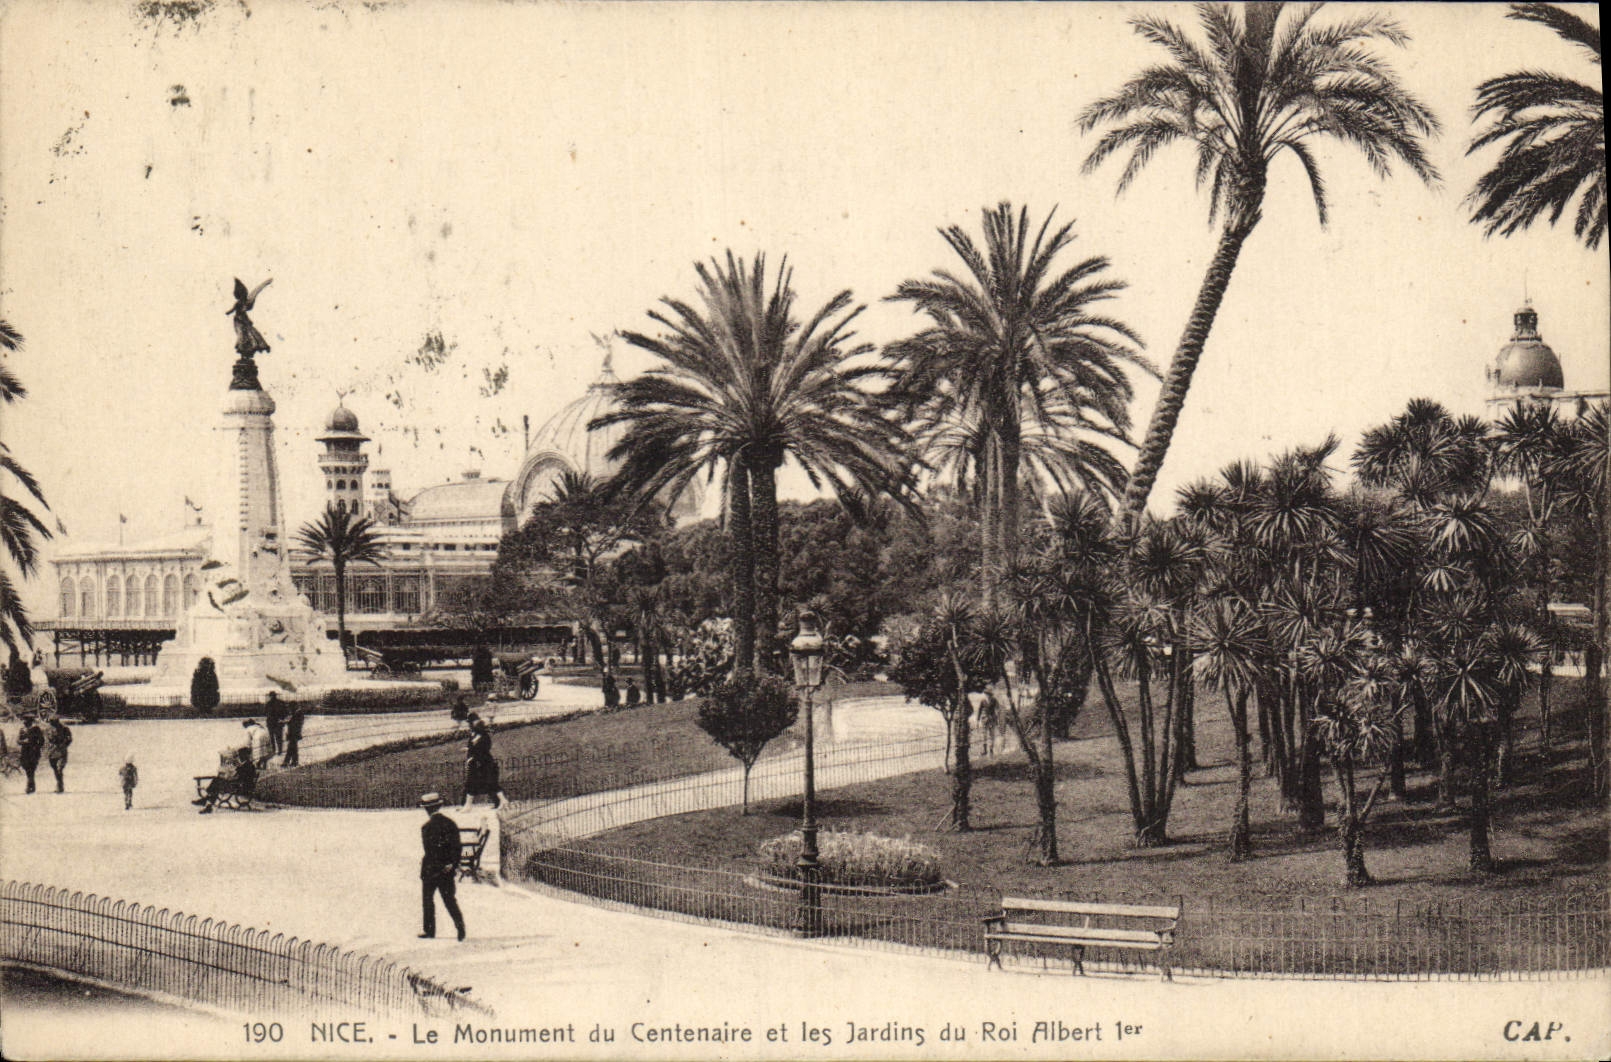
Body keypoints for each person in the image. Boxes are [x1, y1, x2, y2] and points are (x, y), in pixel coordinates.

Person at [417, 792, 466, 941]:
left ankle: (430, 931)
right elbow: (457, 847)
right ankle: (460, 929)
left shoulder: (426, 827)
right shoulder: (450, 823)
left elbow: (429, 851)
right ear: (440, 806)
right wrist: (451, 864)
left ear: (426, 809)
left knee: (428, 900)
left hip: (431, 869)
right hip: (446, 870)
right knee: (449, 900)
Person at [195, 745, 255, 813]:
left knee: (217, 782)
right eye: (239, 755)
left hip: (241, 787)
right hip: (237, 785)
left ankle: (207, 802)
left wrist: (230, 777)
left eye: (240, 755)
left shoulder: (248, 766)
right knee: (217, 781)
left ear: (245, 755)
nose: (239, 757)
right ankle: (208, 803)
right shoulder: (245, 765)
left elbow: (242, 778)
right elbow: (237, 776)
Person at [462, 716, 503, 809]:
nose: (470, 726)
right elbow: (473, 747)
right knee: (476, 783)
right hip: (476, 761)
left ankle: (467, 806)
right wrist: (469, 750)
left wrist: (472, 753)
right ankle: (467, 805)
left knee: (486, 783)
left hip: (482, 762)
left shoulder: (483, 737)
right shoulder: (474, 735)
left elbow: (483, 749)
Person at [17, 716, 43, 794]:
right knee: (26, 767)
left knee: (32, 768)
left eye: (26, 721)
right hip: (24, 752)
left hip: (33, 752)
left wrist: (36, 747)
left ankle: (29, 786)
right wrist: (23, 741)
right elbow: (18, 740)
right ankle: (31, 784)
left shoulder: (36, 729)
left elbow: (41, 740)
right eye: (24, 721)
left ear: (30, 722)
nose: (24, 722)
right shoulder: (22, 730)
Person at [46, 717, 72, 793]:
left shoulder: (64, 728)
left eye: (52, 721)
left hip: (61, 751)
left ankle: (59, 785)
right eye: (50, 722)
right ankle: (59, 782)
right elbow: (46, 740)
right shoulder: (48, 729)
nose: (51, 723)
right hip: (52, 751)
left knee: (59, 768)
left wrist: (64, 745)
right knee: (55, 768)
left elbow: (69, 738)